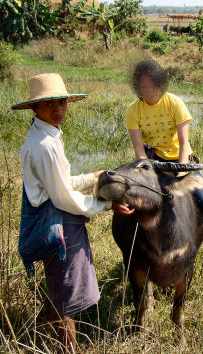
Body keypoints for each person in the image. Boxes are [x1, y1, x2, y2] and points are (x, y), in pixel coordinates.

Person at [12, 73, 133, 353]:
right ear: (34, 108)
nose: (58, 110)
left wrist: (91, 177)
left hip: (54, 217)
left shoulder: (43, 136)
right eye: (49, 104)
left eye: (62, 102)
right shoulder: (45, 146)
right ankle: (69, 349)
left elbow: (60, 183)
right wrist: (106, 204)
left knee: (59, 288)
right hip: (60, 223)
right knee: (68, 297)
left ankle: (39, 337)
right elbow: (64, 198)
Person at [125, 59, 203, 228]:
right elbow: (139, 151)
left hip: (181, 160)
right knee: (128, 195)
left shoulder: (175, 103)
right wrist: (146, 173)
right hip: (153, 160)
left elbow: (184, 143)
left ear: (160, 83)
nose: (148, 88)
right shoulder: (133, 110)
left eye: (152, 84)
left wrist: (180, 175)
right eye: (143, 85)